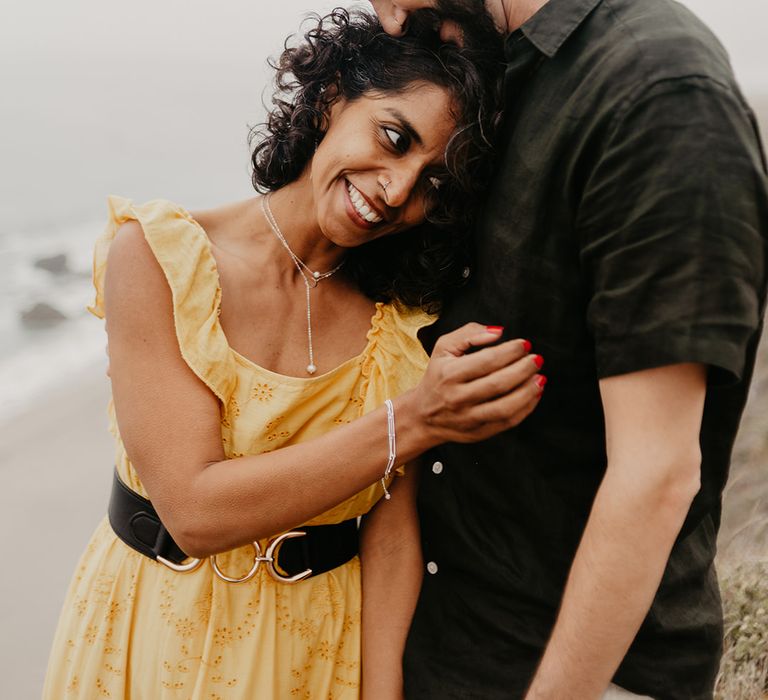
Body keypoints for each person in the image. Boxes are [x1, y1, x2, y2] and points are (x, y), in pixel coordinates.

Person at [42, 10, 545, 699]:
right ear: (334, 96)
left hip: (321, 652)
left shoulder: (401, 323)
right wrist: (417, 420)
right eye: (395, 137)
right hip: (152, 634)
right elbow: (193, 511)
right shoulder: (162, 258)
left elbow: (391, 540)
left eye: (433, 184)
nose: (396, 191)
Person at [369, 1, 768, 699]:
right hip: (453, 653)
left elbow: (658, 474)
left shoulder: (659, 93)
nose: (393, 21)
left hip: (572, 677)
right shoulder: (501, 68)